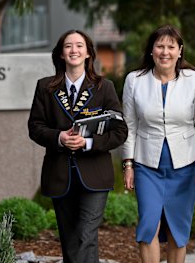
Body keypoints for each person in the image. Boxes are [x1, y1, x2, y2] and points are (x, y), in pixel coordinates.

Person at [28, 29, 128, 263]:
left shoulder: (105, 87)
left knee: (86, 234)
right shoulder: (46, 87)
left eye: (79, 46)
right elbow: (35, 127)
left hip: (95, 175)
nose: (74, 50)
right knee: (70, 239)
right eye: (68, 46)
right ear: (61, 54)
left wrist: (88, 142)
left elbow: (120, 131)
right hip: (59, 174)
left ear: (88, 53)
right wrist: (59, 137)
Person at [121, 25, 195, 263]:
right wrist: (128, 165)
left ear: (180, 51)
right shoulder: (134, 81)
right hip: (146, 166)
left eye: (171, 47)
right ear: (151, 50)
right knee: (148, 225)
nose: (165, 52)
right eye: (160, 46)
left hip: (185, 166)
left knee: (177, 230)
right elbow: (129, 126)